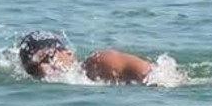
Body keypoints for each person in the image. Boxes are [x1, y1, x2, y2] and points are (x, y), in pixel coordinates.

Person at [18, 32, 155, 85]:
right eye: (33, 68)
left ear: (68, 53)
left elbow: (158, 77)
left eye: (48, 58)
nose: (43, 69)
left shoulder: (100, 63)